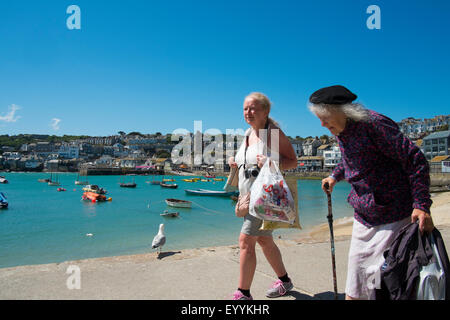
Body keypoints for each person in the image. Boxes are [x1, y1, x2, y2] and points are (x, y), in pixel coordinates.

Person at [308, 85, 434, 300]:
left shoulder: (374, 124)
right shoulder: (341, 131)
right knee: (358, 279)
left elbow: (415, 160)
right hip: (364, 214)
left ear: (341, 111)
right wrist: (334, 176)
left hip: (393, 214)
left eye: (324, 117)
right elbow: (350, 161)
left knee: (382, 279)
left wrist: (421, 204)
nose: (322, 124)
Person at [228, 92, 298, 300]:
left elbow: (292, 161)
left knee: (245, 241)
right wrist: (235, 161)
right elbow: (248, 161)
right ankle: (285, 281)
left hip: (263, 197)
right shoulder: (248, 133)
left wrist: (270, 163)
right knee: (264, 241)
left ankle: (243, 294)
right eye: (245, 108)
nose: (248, 112)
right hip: (248, 196)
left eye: (253, 108)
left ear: (265, 111)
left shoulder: (272, 132)